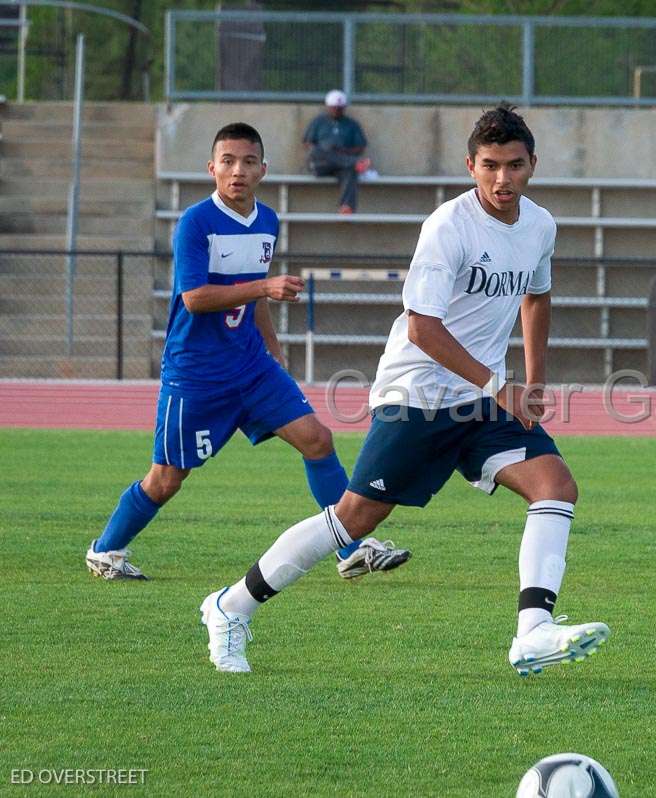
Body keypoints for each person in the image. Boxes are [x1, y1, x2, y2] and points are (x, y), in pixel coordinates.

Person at [200, 105, 610, 676]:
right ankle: (230, 606)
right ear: (471, 165)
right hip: (417, 393)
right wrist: (500, 384)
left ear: (532, 165)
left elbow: (536, 296)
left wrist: (532, 380)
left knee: (555, 484)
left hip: (482, 398)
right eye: (489, 166)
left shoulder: (539, 226)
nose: (502, 179)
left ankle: (533, 631)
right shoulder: (449, 226)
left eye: (514, 166)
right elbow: (422, 326)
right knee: (355, 519)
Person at [86, 123, 409, 583]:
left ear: (263, 169)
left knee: (317, 440)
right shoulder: (196, 222)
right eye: (228, 161)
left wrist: (273, 349)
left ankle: (351, 549)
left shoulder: (267, 221)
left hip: (252, 367)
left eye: (248, 161)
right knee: (166, 479)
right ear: (212, 168)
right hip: (197, 375)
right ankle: (107, 549)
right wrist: (266, 286)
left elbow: (253, 297)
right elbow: (196, 298)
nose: (238, 170)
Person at [302, 90, 371, 214]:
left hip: (342, 165)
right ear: (328, 107)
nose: (336, 110)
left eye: (339, 108)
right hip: (321, 164)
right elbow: (307, 143)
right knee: (317, 151)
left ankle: (346, 206)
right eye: (334, 108)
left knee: (350, 170)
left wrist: (342, 151)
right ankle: (354, 162)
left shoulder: (351, 124)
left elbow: (360, 146)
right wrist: (327, 151)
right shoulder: (319, 121)